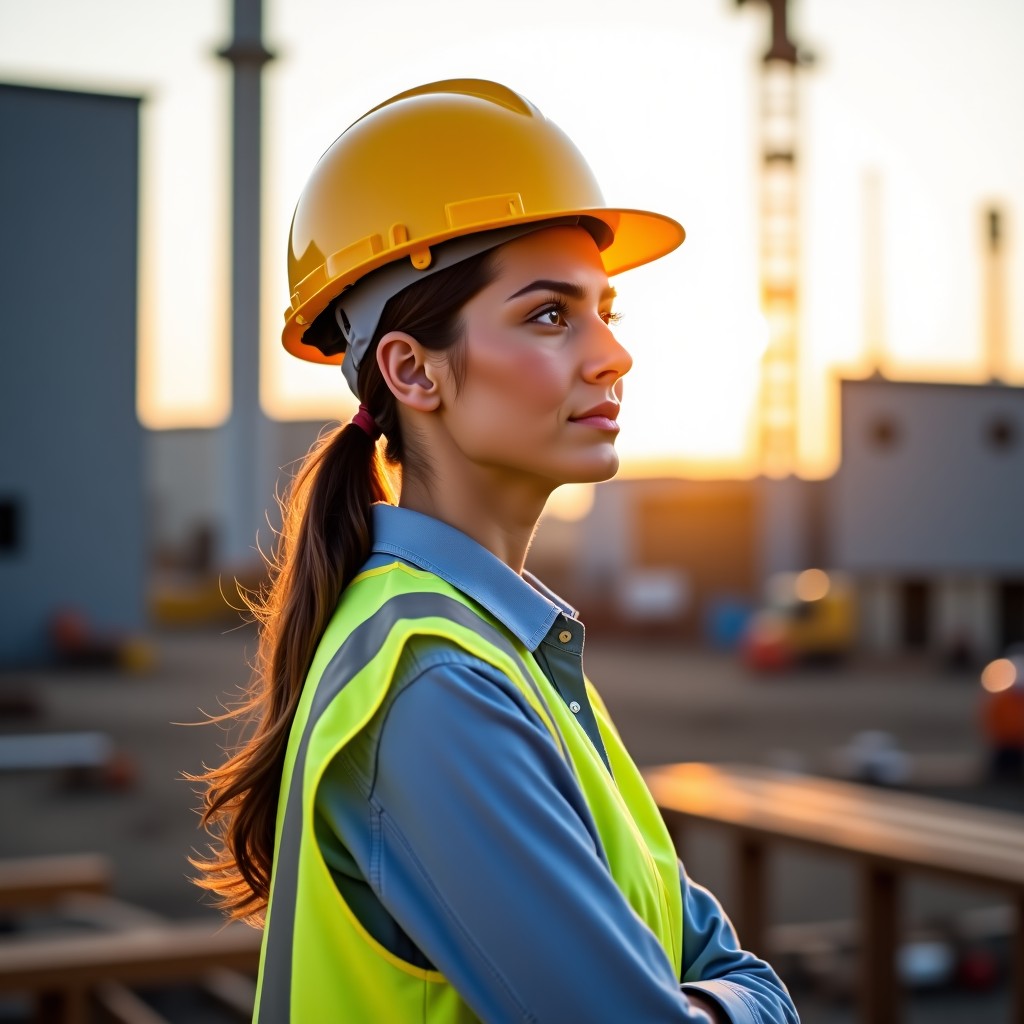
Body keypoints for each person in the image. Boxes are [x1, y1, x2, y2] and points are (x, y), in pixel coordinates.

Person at [192, 79, 799, 1023]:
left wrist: (724, 997)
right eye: (551, 315)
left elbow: (716, 959)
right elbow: (727, 981)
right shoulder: (435, 689)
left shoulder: (505, 647)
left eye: (608, 311)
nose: (612, 355)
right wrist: (740, 1005)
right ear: (411, 369)